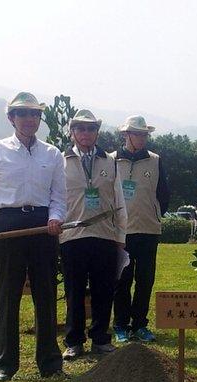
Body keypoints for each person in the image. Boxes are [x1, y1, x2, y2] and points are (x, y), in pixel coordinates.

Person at [0, 92, 66, 381]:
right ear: (11, 118)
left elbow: (59, 195)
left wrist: (56, 218)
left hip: (43, 227)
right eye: (22, 114)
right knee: (7, 294)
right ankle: (4, 364)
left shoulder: (52, 154)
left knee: (46, 294)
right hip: (7, 225)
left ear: (39, 119)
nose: (29, 119)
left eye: (34, 114)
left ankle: (50, 363)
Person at [60, 109, 127, 360]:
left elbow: (119, 200)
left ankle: (100, 338)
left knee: (103, 289)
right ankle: (74, 341)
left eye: (90, 129)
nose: (85, 133)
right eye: (80, 128)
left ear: (97, 132)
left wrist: (121, 237)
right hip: (72, 236)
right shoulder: (61, 160)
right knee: (74, 291)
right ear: (72, 132)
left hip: (104, 235)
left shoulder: (110, 161)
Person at [111, 116, 169, 343]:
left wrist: (154, 213)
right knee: (122, 280)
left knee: (145, 280)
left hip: (148, 230)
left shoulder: (155, 160)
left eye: (144, 134)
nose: (142, 138)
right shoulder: (112, 160)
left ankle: (140, 324)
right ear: (126, 135)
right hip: (120, 232)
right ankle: (120, 325)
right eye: (137, 134)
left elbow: (164, 194)